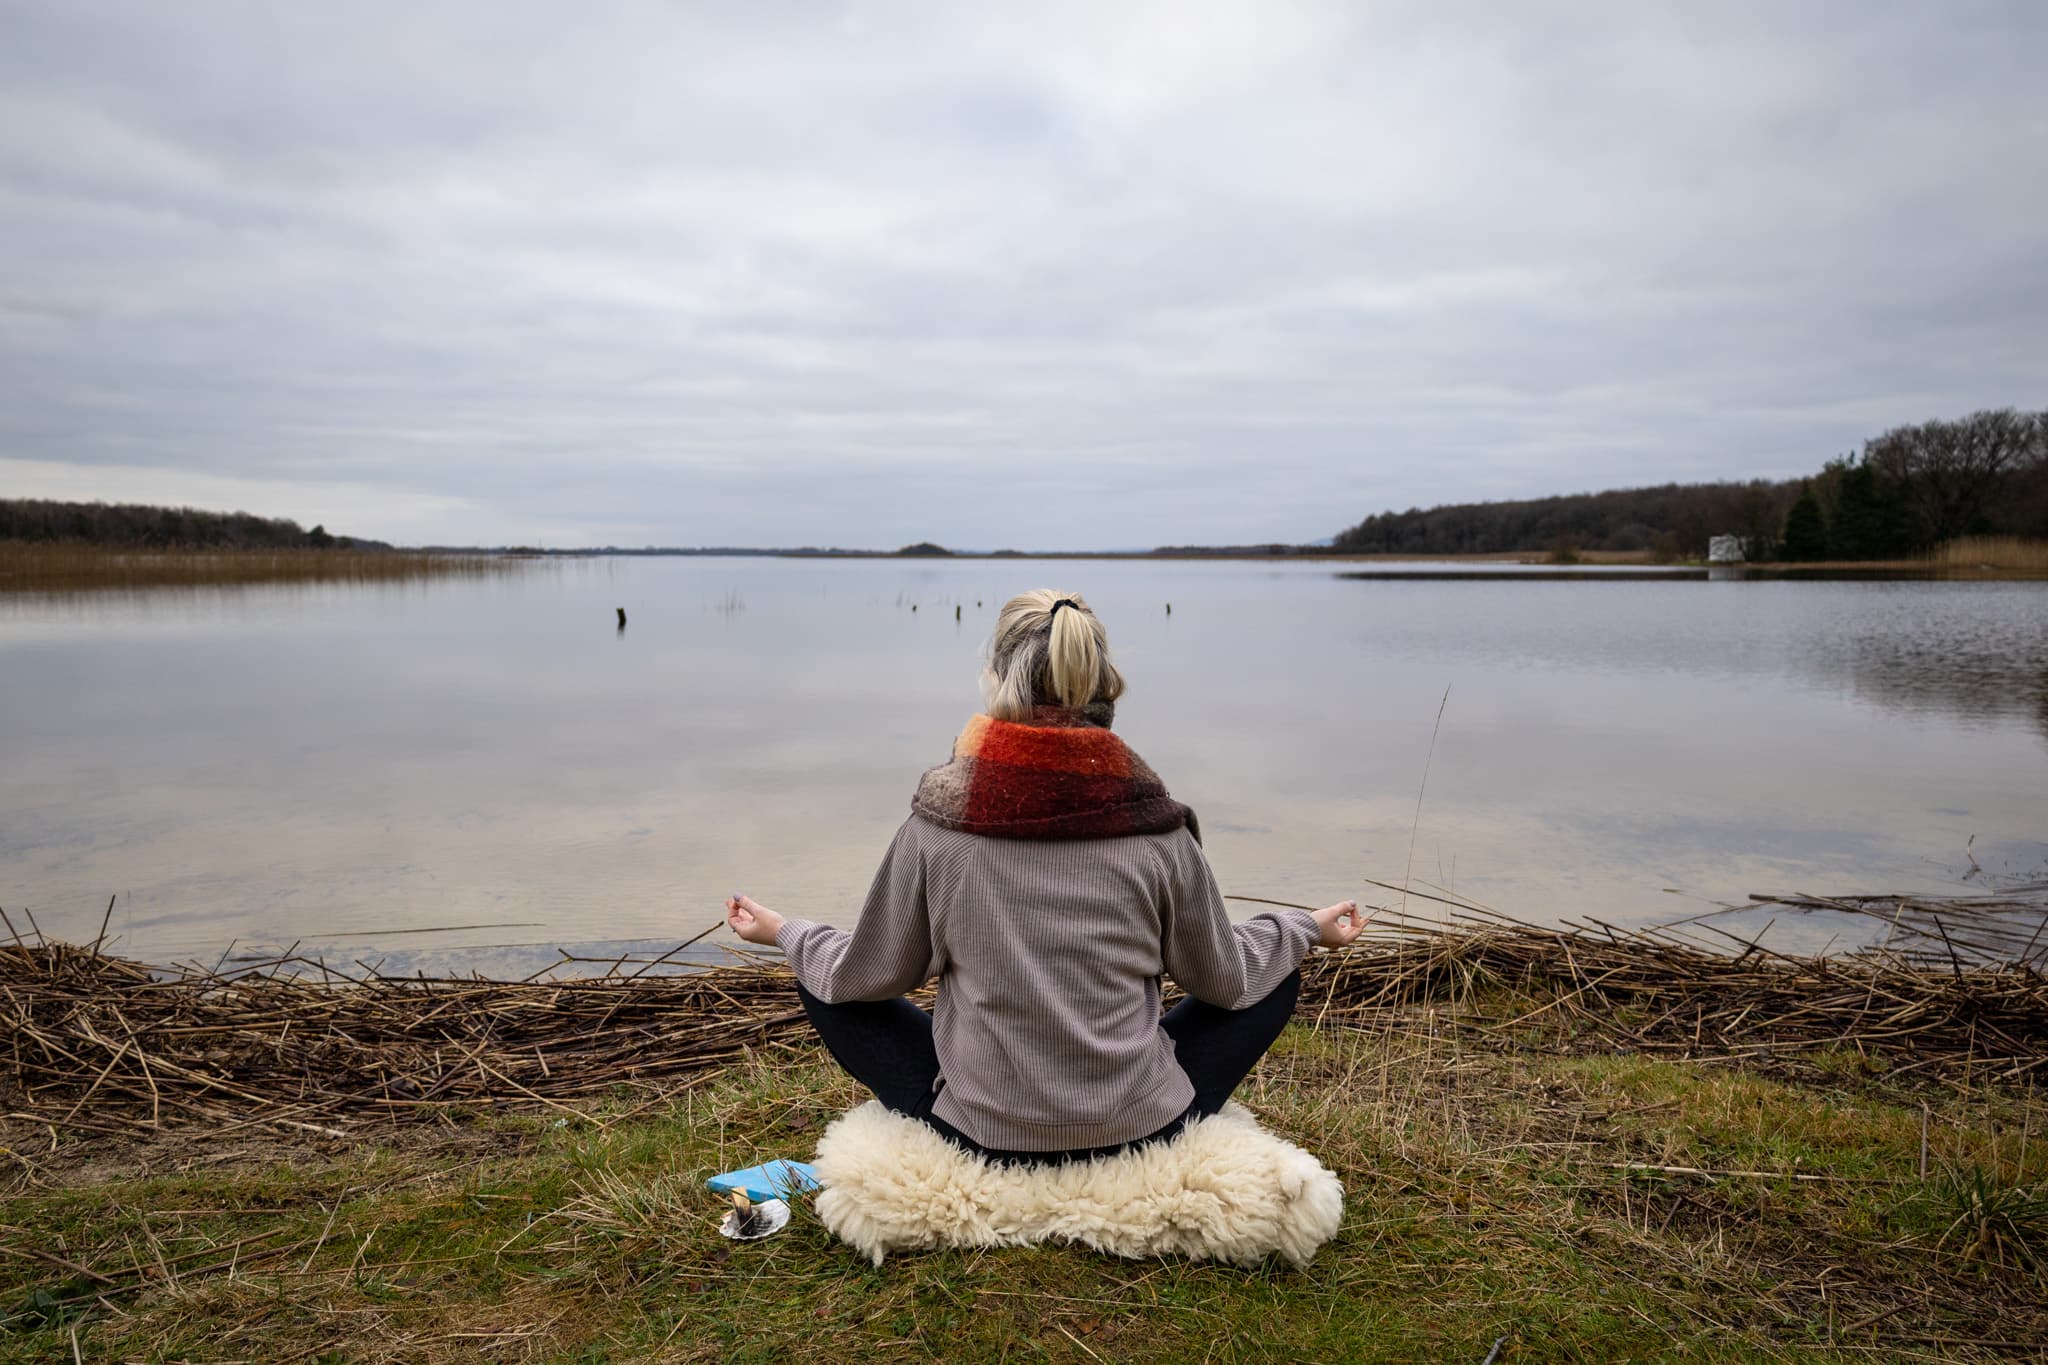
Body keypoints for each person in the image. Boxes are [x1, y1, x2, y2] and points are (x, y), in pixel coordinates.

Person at [725, 588, 1365, 1164]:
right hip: (1139, 1130)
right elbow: (1225, 979)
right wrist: (1302, 928)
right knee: (1274, 977)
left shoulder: (938, 830)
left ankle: (993, 1129)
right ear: (1102, 685)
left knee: (825, 980)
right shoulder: (1159, 832)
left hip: (982, 1135)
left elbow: (870, 973)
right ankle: (1128, 1115)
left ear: (997, 679)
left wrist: (787, 933)